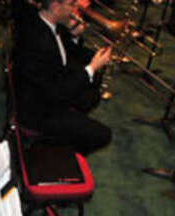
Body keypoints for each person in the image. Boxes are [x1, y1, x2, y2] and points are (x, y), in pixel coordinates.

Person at [12, 0, 112, 154]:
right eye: (71, 4)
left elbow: (66, 53)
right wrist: (91, 68)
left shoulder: (48, 23)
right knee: (103, 135)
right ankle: (56, 153)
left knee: (92, 93)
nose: (76, 8)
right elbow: (57, 92)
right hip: (39, 111)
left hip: (48, 90)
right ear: (54, 6)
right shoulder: (39, 41)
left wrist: (74, 36)